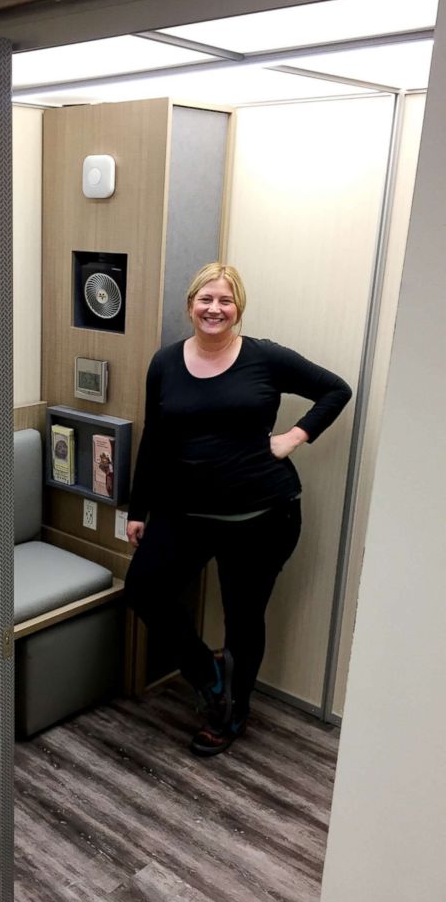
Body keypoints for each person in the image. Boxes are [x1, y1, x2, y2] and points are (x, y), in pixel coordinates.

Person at [124, 262, 352, 756]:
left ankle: (232, 709)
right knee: (144, 589)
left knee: (243, 617)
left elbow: (336, 390)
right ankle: (207, 672)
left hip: (263, 517)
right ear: (190, 306)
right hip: (185, 513)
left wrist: (294, 437)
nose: (215, 308)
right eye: (206, 299)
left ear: (238, 309)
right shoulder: (165, 363)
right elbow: (155, 440)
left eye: (225, 300)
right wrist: (138, 509)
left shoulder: (265, 358)